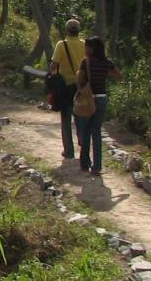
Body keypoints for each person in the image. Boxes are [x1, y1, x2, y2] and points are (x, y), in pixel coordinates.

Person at [75, 36, 120, 175]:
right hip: (102, 99)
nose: (85, 49)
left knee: (85, 131)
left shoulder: (86, 62)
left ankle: (85, 163)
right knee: (96, 132)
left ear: (92, 48)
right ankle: (97, 166)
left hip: (88, 100)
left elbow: (79, 79)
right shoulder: (107, 62)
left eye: (87, 46)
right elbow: (118, 76)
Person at [48, 19, 86, 159]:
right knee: (80, 116)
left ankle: (69, 150)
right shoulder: (84, 45)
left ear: (67, 30)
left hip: (66, 87)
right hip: (81, 87)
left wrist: (52, 77)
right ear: (79, 30)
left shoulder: (61, 45)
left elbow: (53, 66)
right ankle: (83, 143)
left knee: (66, 118)